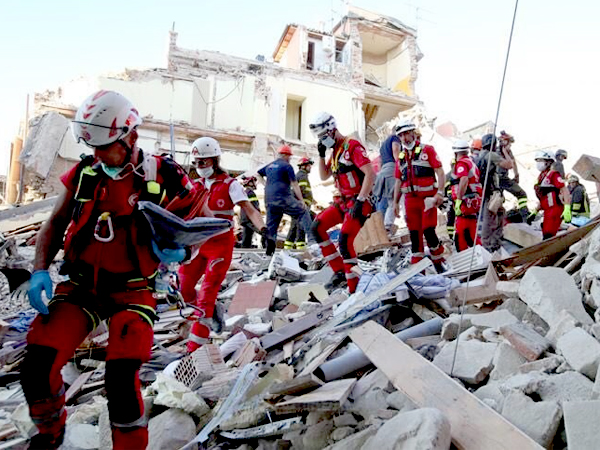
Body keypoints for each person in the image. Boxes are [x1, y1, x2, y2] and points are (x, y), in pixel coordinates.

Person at [22, 90, 199, 449]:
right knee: (36, 369)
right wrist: (39, 271)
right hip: (82, 287)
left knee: (120, 381)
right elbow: (55, 223)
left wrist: (182, 252)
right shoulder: (87, 172)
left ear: (130, 136)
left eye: (104, 146)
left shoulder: (164, 175)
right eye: (92, 146)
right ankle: (50, 434)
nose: (97, 154)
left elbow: (197, 226)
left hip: (133, 292)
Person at [179, 137, 268, 352]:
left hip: (220, 245)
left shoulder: (230, 185)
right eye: (197, 162)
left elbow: (250, 210)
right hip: (197, 243)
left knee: (207, 293)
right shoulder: (195, 185)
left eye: (204, 162)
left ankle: (195, 349)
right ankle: (208, 314)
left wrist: (265, 231)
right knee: (183, 288)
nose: (200, 167)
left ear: (215, 160)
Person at [309, 112, 375, 293]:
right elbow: (324, 176)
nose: (323, 140)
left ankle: (354, 289)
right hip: (343, 202)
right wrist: (321, 155)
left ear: (332, 129)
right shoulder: (336, 151)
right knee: (317, 227)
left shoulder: (351, 146)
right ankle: (339, 271)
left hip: (358, 201)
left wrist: (361, 200)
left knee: (345, 241)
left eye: (324, 136)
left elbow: (370, 173)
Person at [392, 119, 447, 272]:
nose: (404, 138)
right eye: (401, 136)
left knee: (429, 230)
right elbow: (398, 181)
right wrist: (395, 203)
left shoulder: (427, 150)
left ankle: (438, 261)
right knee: (414, 235)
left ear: (413, 133)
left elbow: (440, 172)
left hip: (427, 199)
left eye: (406, 134)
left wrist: (440, 193)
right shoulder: (401, 158)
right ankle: (419, 269)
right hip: (410, 201)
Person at [258, 145, 312, 256]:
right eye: (289, 156)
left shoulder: (270, 166)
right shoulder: (287, 166)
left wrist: (266, 185)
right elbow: (294, 184)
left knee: (271, 228)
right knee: (303, 211)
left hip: (269, 200)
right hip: (283, 198)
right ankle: (313, 241)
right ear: (286, 155)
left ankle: (269, 253)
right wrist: (301, 201)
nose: (290, 158)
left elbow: (258, 174)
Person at [477, 133, 513, 252]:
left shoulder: (479, 155)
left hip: (483, 190)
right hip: (491, 192)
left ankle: (493, 241)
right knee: (491, 217)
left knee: (498, 213)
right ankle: (489, 244)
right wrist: (505, 151)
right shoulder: (491, 155)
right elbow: (509, 165)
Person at [449, 140, 482, 251]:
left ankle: (465, 259)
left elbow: (463, 180)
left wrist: (458, 200)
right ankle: (480, 255)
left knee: (461, 234)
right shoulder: (471, 163)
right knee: (472, 232)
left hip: (465, 202)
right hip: (473, 202)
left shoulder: (462, 164)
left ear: (455, 153)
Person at [532, 150, 571, 239]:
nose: (538, 163)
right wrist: (535, 211)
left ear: (549, 162)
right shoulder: (541, 176)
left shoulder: (553, 174)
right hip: (547, 209)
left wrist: (567, 208)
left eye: (541, 160)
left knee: (548, 235)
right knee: (545, 233)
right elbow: (543, 196)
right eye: (537, 160)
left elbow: (564, 190)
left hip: (554, 209)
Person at [497, 131, 529, 221]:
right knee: (521, 194)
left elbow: (514, 162)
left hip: (501, 178)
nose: (510, 146)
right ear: (504, 143)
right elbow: (510, 164)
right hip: (500, 178)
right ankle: (525, 217)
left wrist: (516, 175)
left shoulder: (508, 151)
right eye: (509, 144)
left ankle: (499, 221)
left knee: (499, 201)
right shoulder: (497, 152)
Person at [373, 129, 401, 231]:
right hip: (392, 170)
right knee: (394, 201)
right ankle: (388, 226)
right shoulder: (395, 138)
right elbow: (396, 151)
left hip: (383, 173)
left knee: (385, 202)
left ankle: (382, 228)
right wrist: (400, 165)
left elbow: (380, 162)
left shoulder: (383, 145)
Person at [285, 157, 315, 250]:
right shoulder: (302, 176)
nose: (310, 167)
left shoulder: (299, 175)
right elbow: (301, 190)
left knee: (294, 227)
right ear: (304, 166)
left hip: (298, 205)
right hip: (302, 206)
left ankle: (287, 248)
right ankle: (301, 249)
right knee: (301, 227)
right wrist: (304, 203)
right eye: (309, 165)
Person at [238, 175, 262, 248]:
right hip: (250, 219)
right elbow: (254, 206)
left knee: (247, 238)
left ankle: (245, 252)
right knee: (263, 231)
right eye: (254, 182)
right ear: (250, 183)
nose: (255, 183)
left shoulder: (246, 192)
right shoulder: (250, 193)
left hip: (246, 219)